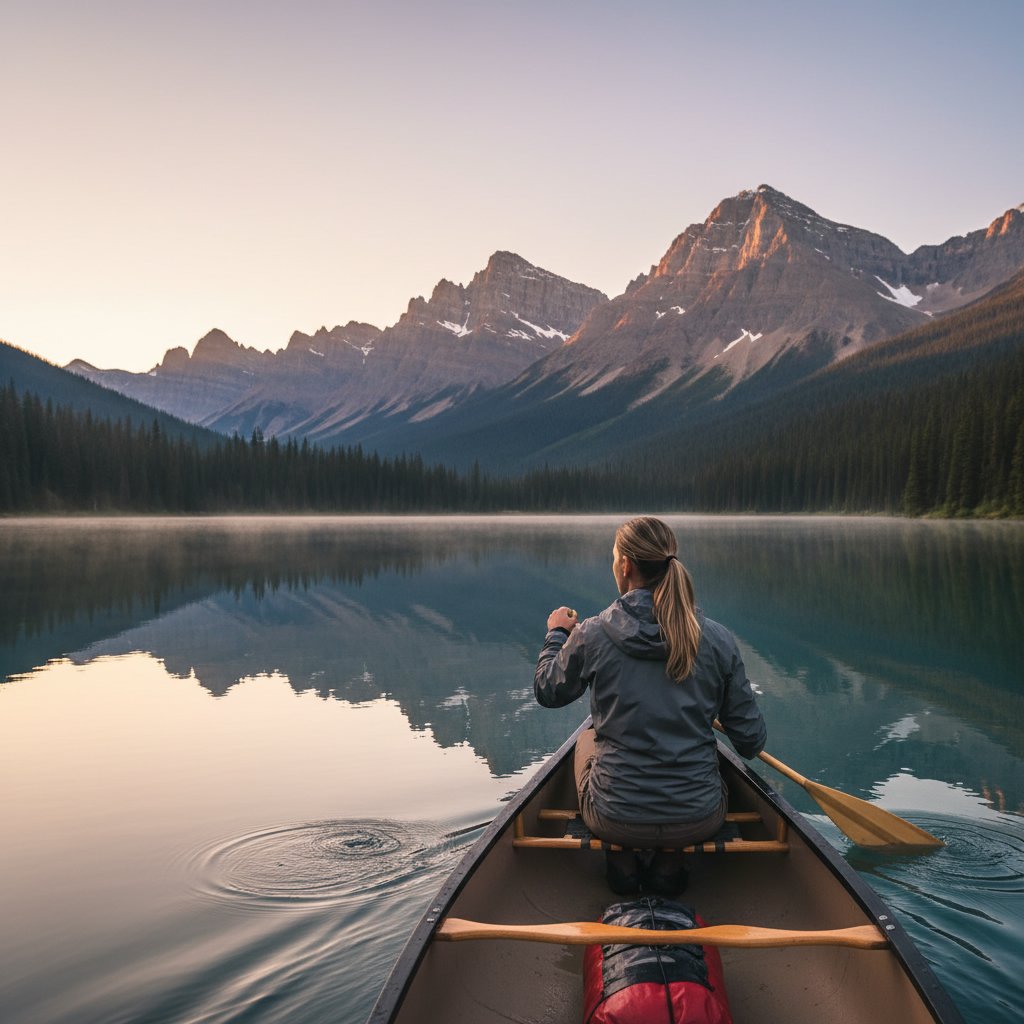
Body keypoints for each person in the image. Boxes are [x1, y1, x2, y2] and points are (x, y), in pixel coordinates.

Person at [534, 516, 766, 895]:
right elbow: (750, 742)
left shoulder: (591, 634)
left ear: (625, 565)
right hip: (699, 816)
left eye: (614, 558)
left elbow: (547, 690)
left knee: (585, 739)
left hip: (613, 815)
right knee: (712, 756)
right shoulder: (718, 639)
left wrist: (558, 633)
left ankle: (622, 865)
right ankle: (669, 865)